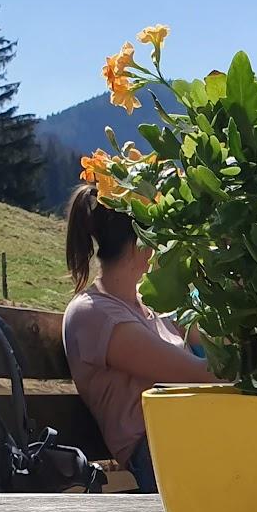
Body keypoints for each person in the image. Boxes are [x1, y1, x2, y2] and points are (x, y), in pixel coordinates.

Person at [62, 185, 215, 492]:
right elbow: (202, 373)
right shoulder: (96, 315)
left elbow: (213, 345)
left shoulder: (149, 307)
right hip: (162, 450)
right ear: (139, 243)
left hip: (193, 437)